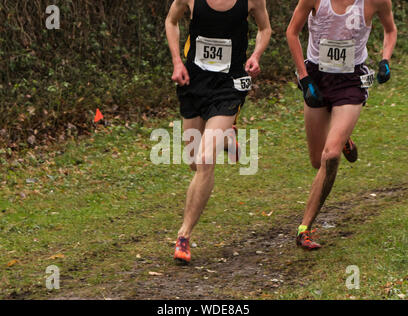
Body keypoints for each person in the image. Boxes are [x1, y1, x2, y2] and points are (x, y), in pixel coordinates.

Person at [165, 0, 271, 263]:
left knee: (204, 160)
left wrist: (256, 55)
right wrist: (177, 61)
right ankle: (226, 135)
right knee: (192, 162)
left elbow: (265, 28)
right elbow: (171, 21)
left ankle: (184, 236)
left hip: (229, 85)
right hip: (194, 81)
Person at [286, 0, 397, 250]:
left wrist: (385, 60)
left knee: (331, 155)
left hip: (351, 80)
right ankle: (343, 136)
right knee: (317, 160)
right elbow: (292, 32)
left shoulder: (375, 1)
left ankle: (305, 227)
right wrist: (304, 78)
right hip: (316, 75)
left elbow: (390, 29)